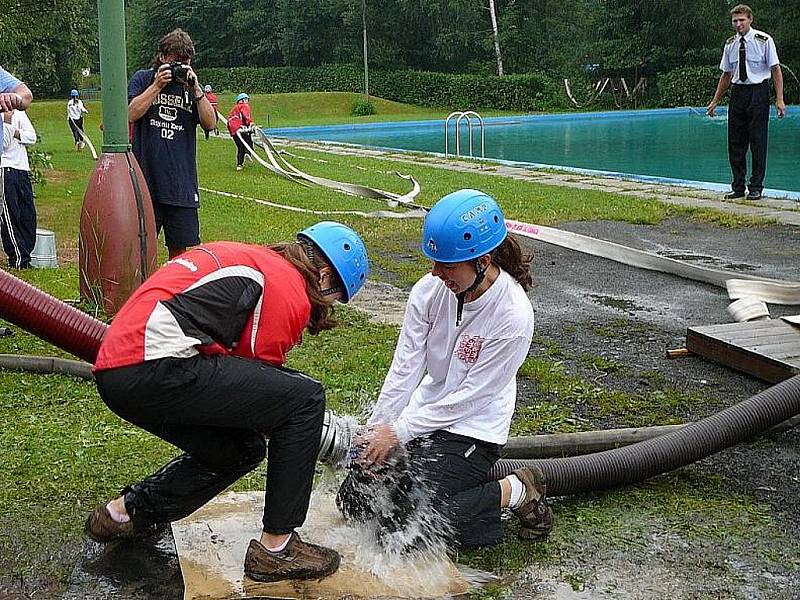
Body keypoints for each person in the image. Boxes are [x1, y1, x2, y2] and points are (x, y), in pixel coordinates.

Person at [85, 221, 370, 583]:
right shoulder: (288, 286)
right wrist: (326, 439)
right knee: (305, 400)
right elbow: (262, 393)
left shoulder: (257, 260)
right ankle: (276, 549)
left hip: (124, 371)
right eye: (335, 297)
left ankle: (125, 514)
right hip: (158, 364)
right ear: (326, 275)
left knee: (240, 449)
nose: (328, 306)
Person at [337, 189, 553, 551]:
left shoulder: (513, 315)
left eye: (447, 265)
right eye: (434, 262)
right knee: (354, 503)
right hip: (425, 417)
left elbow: (471, 398)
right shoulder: (428, 291)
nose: (435, 273)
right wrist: (378, 432)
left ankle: (517, 489)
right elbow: (404, 368)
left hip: (473, 429)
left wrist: (400, 431)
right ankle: (463, 484)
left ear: (482, 259)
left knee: (404, 533)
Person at [128, 29, 217, 260]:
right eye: (176, 61)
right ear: (163, 56)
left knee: (180, 254)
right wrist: (157, 85)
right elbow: (131, 113)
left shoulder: (190, 87)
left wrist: (196, 89)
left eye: (185, 61)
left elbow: (210, 123)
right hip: (147, 180)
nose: (180, 66)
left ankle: (175, 294)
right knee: (141, 251)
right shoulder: (143, 79)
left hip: (181, 185)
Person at [706, 4, 786, 201]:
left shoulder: (764, 40)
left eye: (742, 20)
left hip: (758, 92)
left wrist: (779, 98)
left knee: (758, 141)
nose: (738, 24)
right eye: (735, 20)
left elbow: (775, 70)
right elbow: (726, 74)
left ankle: (756, 186)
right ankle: (738, 186)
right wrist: (715, 100)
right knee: (735, 142)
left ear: (750, 19)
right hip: (738, 93)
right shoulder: (730, 44)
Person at [1, 109, 37, 269]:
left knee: (27, 214)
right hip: (5, 167)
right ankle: (18, 258)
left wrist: (13, 130)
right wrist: (8, 122)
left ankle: (26, 254)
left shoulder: (20, 113)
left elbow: (32, 137)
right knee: (10, 214)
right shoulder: (5, 116)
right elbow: (4, 144)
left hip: (22, 168)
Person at [227, 92, 254, 171]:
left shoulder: (234, 109)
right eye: (246, 99)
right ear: (243, 100)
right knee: (249, 143)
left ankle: (239, 165)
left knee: (240, 147)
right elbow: (246, 116)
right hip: (241, 129)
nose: (247, 101)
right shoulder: (244, 106)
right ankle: (248, 153)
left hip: (234, 131)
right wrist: (250, 123)